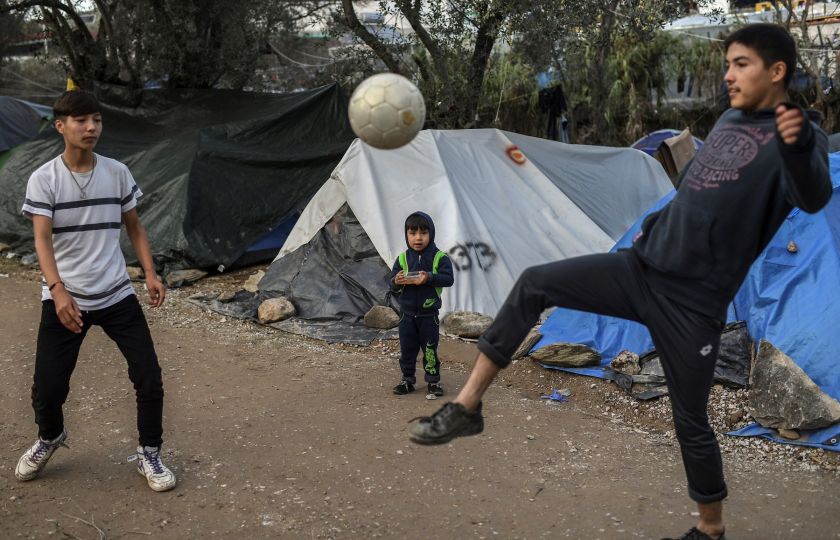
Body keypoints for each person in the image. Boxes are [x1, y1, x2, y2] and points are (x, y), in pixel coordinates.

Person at [408, 24, 832, 540]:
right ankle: (466, 407)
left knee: (689, 418)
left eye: (740, 64)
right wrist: (659, 226)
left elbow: (811, 197)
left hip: (692, 305)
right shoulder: (728, 118)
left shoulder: (799, 135)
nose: (728, 75)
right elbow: (700, 188)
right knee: (534, 282)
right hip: (638, 269)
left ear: (777, 71)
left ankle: (711, 528)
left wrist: (793, 147)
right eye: (728, 64)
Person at [15, 90, 176, 492]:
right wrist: (57, 289)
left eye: (97, 120)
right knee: (48, 389)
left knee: (149, 378)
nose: (91, 128)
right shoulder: (44, 178)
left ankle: (150, 452)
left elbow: (134, 227)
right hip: (65, 299)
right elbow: (42, 241)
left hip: (117, 293)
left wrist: (150, 274)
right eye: (81, 121)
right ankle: (50, 436)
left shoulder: (117, 172)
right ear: (60, 126)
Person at [389, 212, 454, 399]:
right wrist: (397, 280)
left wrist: (429, 278)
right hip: (406, 315)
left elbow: (448, 279)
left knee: (430, 349)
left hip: (429, 315)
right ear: (406, 235)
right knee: (407, 348)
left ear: (431, 234)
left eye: (423, 233)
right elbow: (391, 283)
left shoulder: (439, 258)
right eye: (413, 233)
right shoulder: (402, 259)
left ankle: (433, 382)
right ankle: (407, 380)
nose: (418, 238)